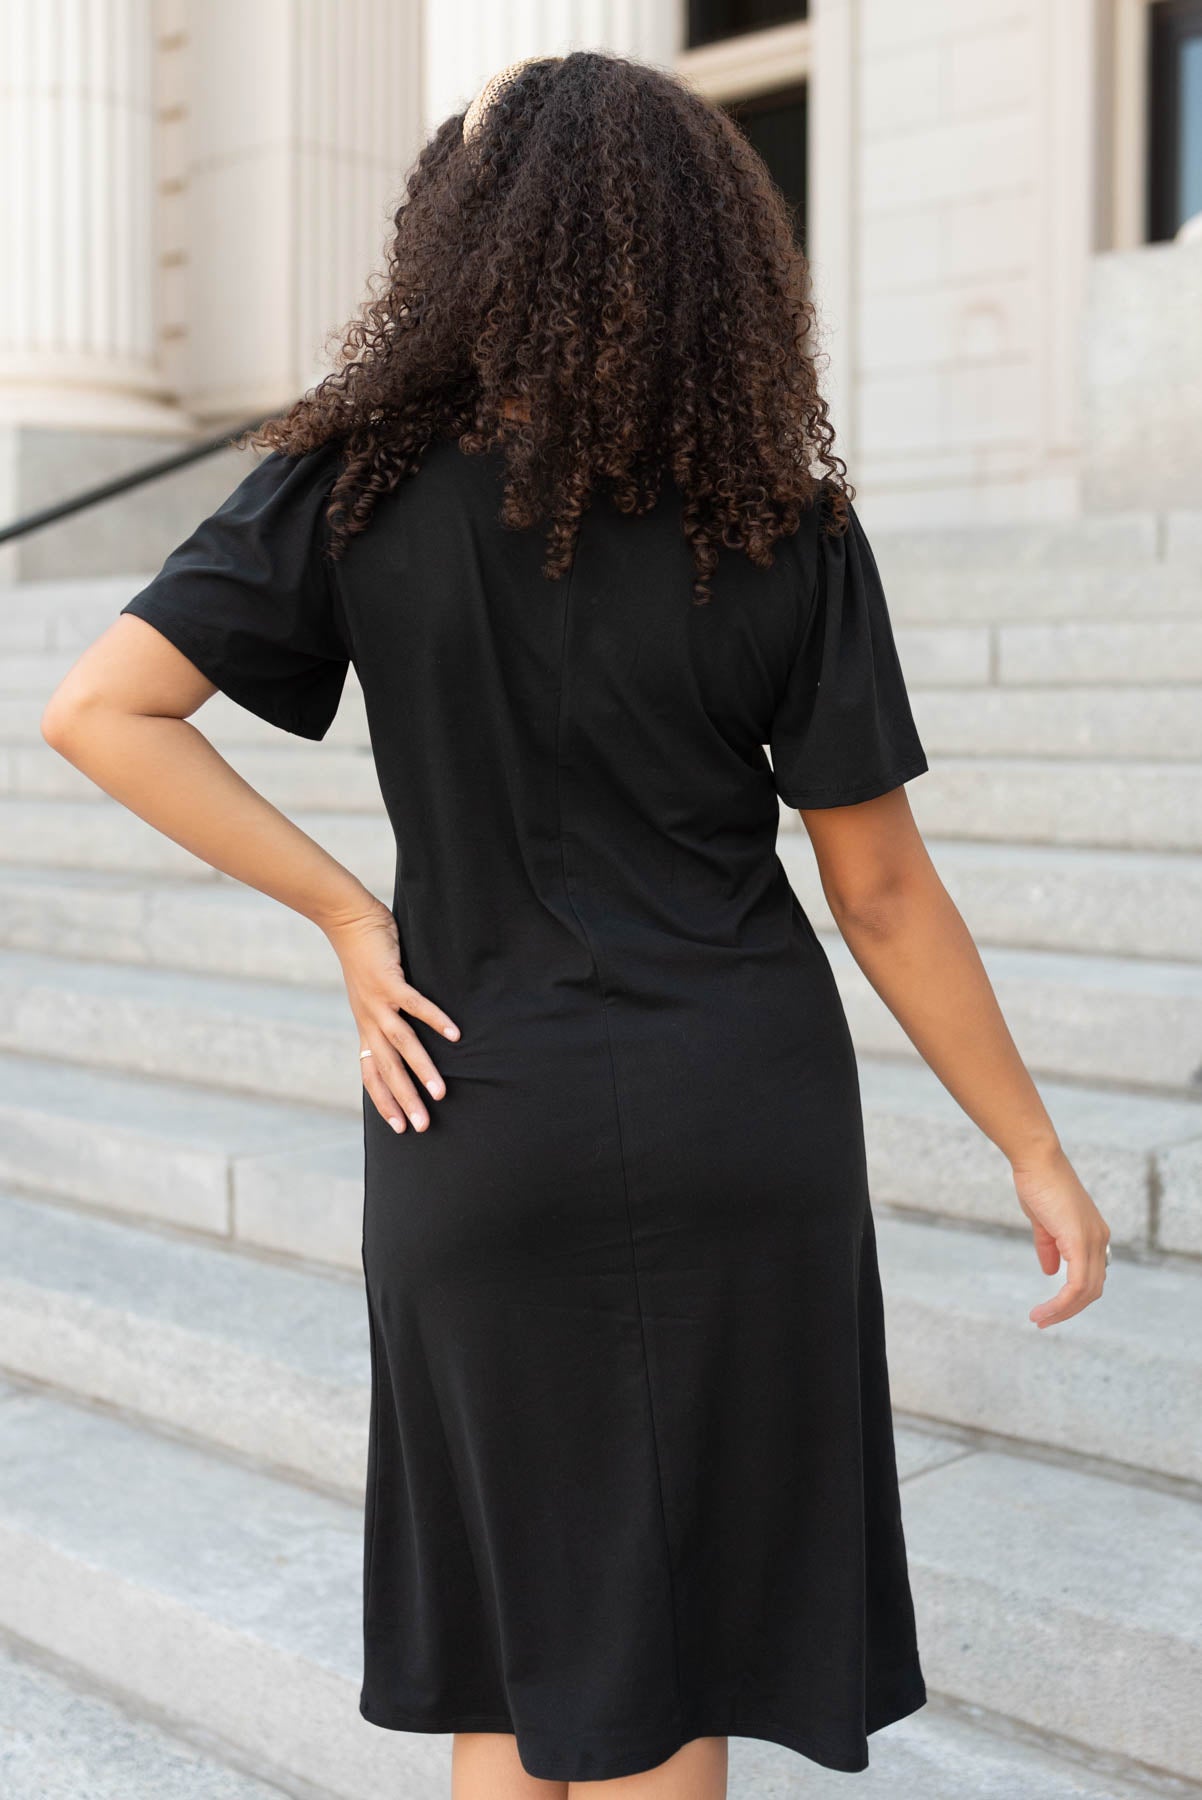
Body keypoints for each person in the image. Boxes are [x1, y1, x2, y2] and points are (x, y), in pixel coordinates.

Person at [41, 47, 1111, 1800]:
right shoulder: (778, 520)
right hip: (733, 1113)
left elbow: (97, 709)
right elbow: (884, 890)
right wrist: (1031, 1147)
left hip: (470, 1104)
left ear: (466, 247)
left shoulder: (361, 485)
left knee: (520, 1652)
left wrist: (341, 915)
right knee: (666, 1656)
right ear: (712, 258)